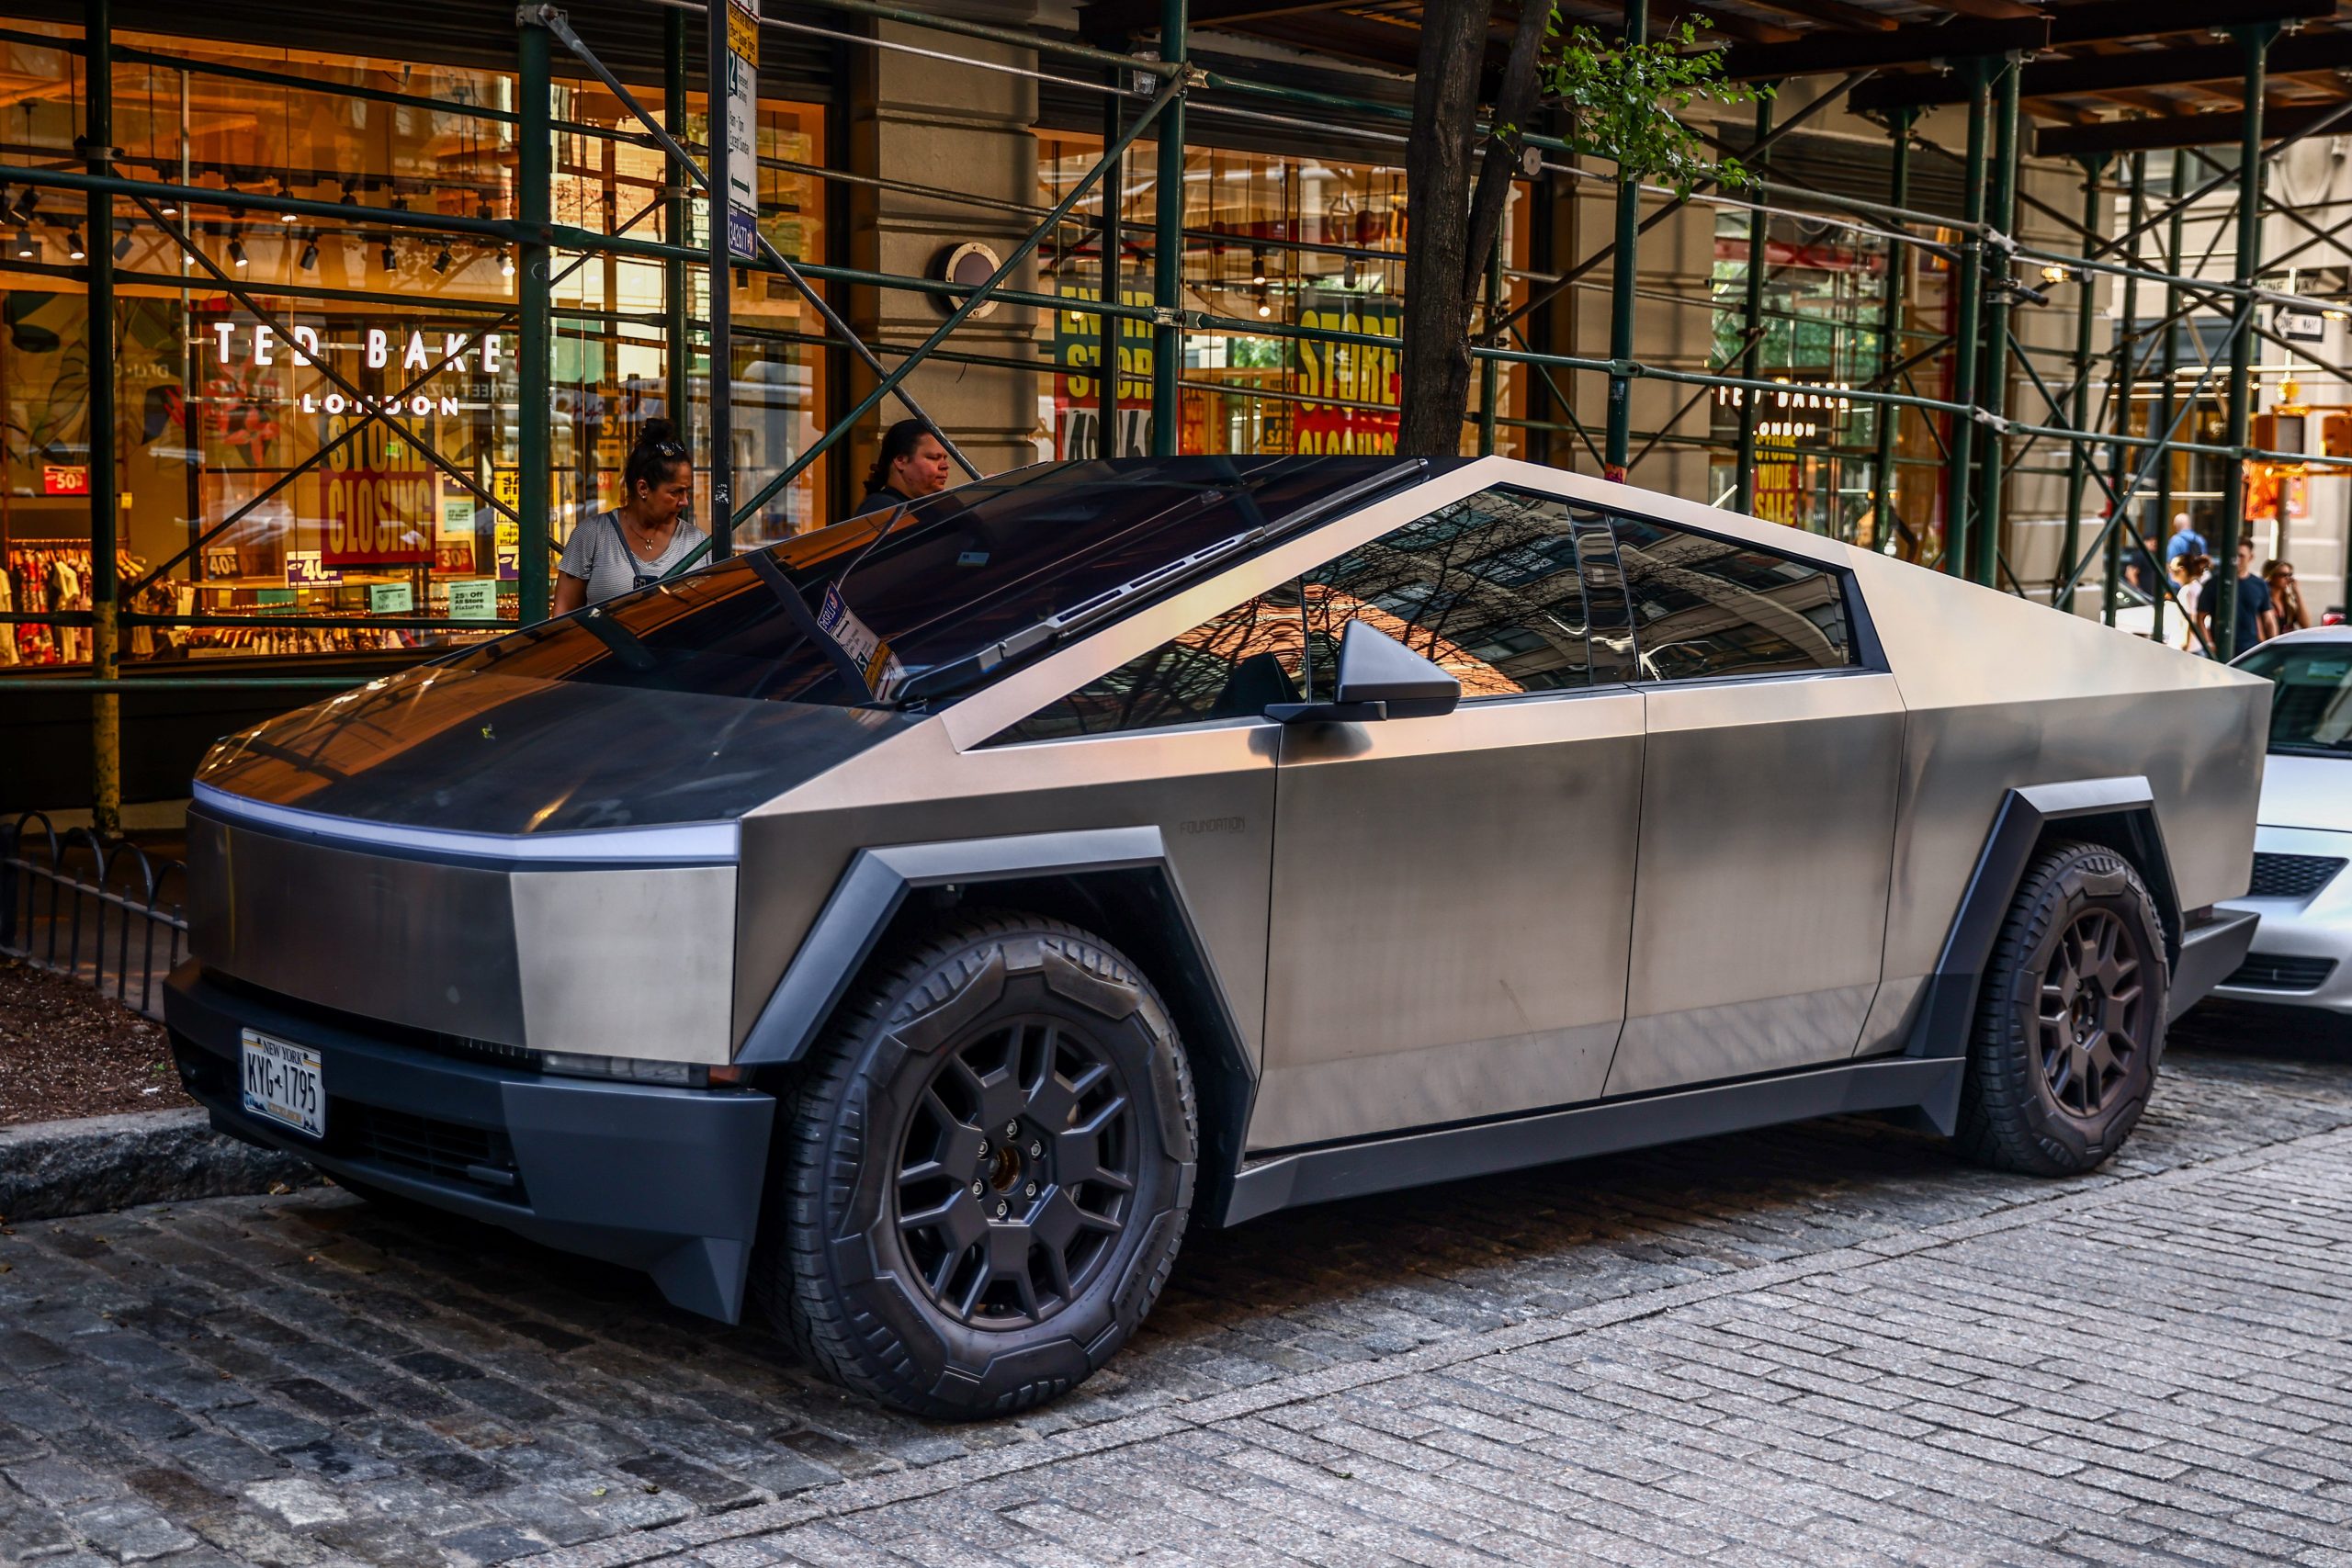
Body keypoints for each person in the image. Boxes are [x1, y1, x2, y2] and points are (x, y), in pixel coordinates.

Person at [552, 419, 704, 614]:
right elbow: (563, 618)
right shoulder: (592, 535)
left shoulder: (698, 544)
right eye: (675, 492)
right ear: (643, 488)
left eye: (687, 492)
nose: (685, 502)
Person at [850, 419, 955, 519]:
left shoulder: (940, 507)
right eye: (934, 458)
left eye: (944, 458)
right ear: (901, 461)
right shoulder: (881, 508)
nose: (945, 466)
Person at [2200, 538, 2279, 660]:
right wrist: (2209, 644)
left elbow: (2268, 618)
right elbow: (2200, 617)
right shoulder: (2213, 584)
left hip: (2250, 649)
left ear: (2251, 557)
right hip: (2221, 650)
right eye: (2233, 555)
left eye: (2241, 556)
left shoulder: (2259, 584)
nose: (2236, 560)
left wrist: (2272, 646)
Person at [2170, 554, 2208, 654]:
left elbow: (2190, 619)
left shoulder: (2187, 590)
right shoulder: (2196, 587)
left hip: (2190, 647)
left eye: (2172, 569)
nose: (2170, 572)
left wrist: (2184, 643)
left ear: (2181, 570)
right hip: (2196, 644)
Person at [2267, 558, 2312, 633]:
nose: (2288, 578)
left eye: (2290, 575)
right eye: (2283, 575)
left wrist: (2297, 593)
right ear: (2271, 576)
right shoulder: (2264, 599)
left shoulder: (2288, 601)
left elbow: (2306, 624)